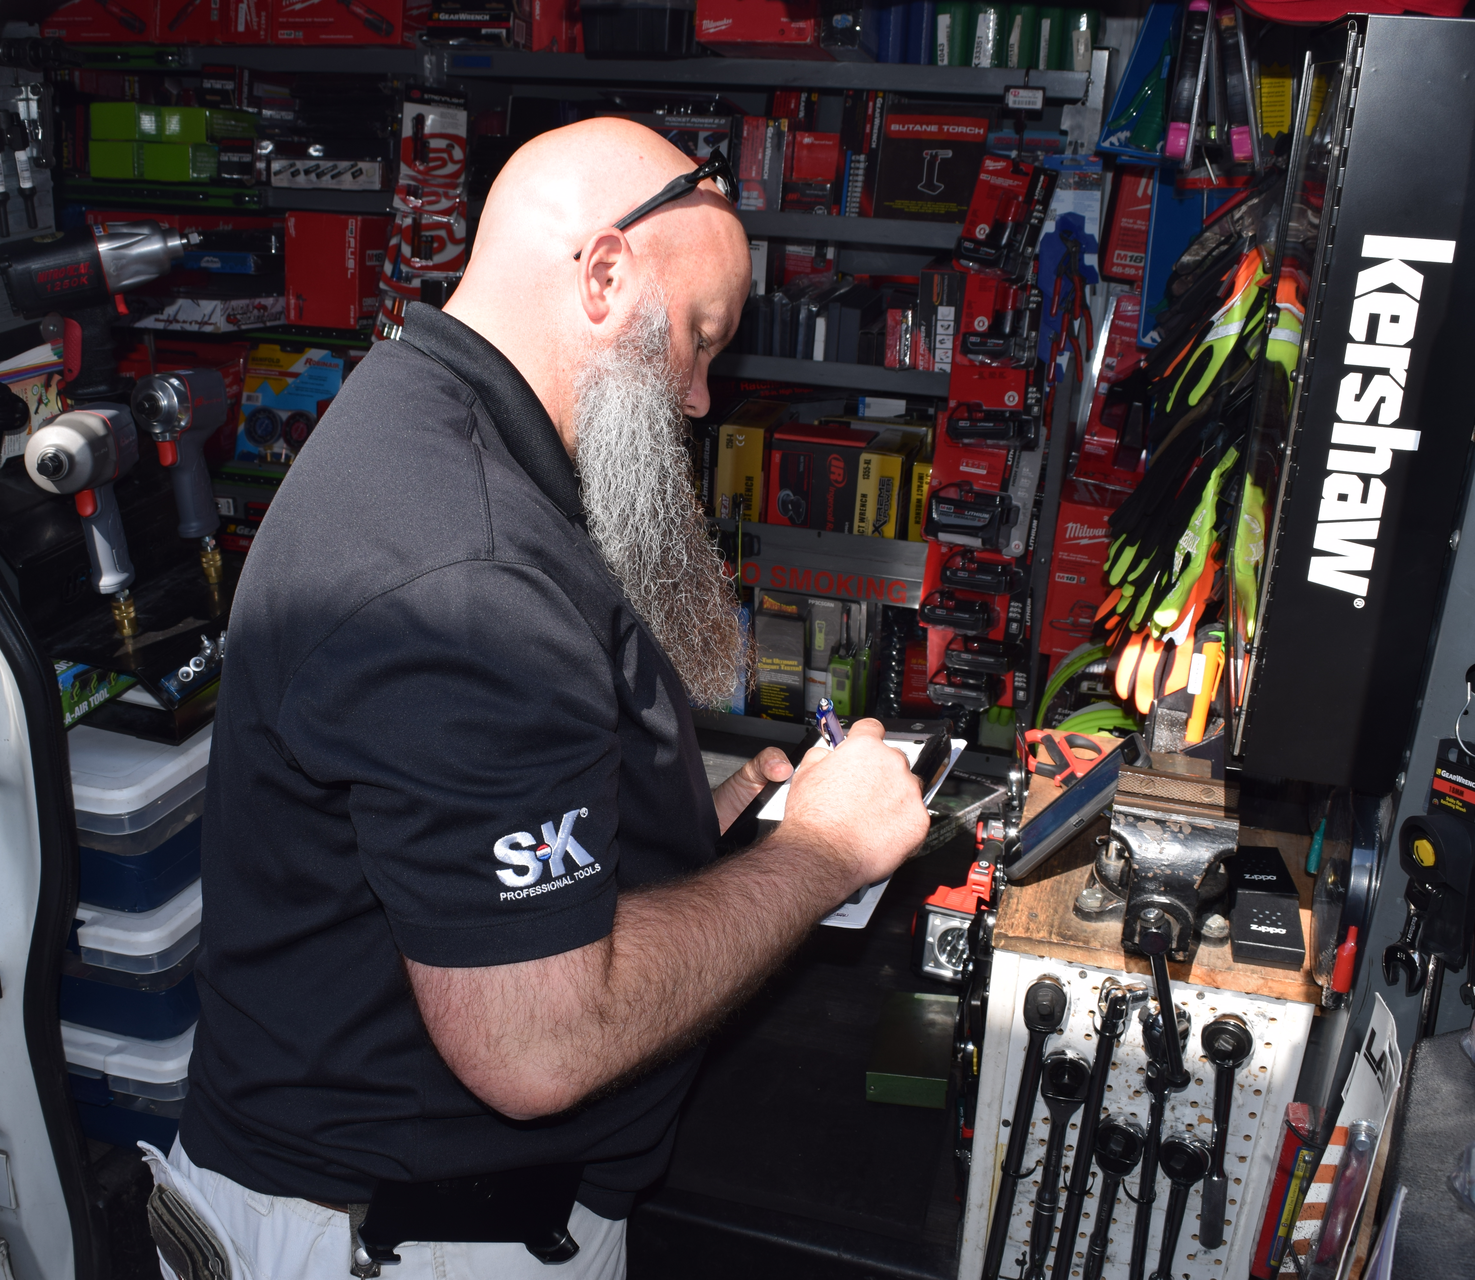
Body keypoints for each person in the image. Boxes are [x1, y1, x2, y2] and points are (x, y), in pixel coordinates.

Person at [144, 117, 931, 1280]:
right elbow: (537, 1040)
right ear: (606, 273)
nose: (704, 396)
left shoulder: (431, 426)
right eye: (701, 339)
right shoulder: (464, 571)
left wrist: (682, 834)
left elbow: (442, 847)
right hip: (406, 1242)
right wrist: (819, 851)